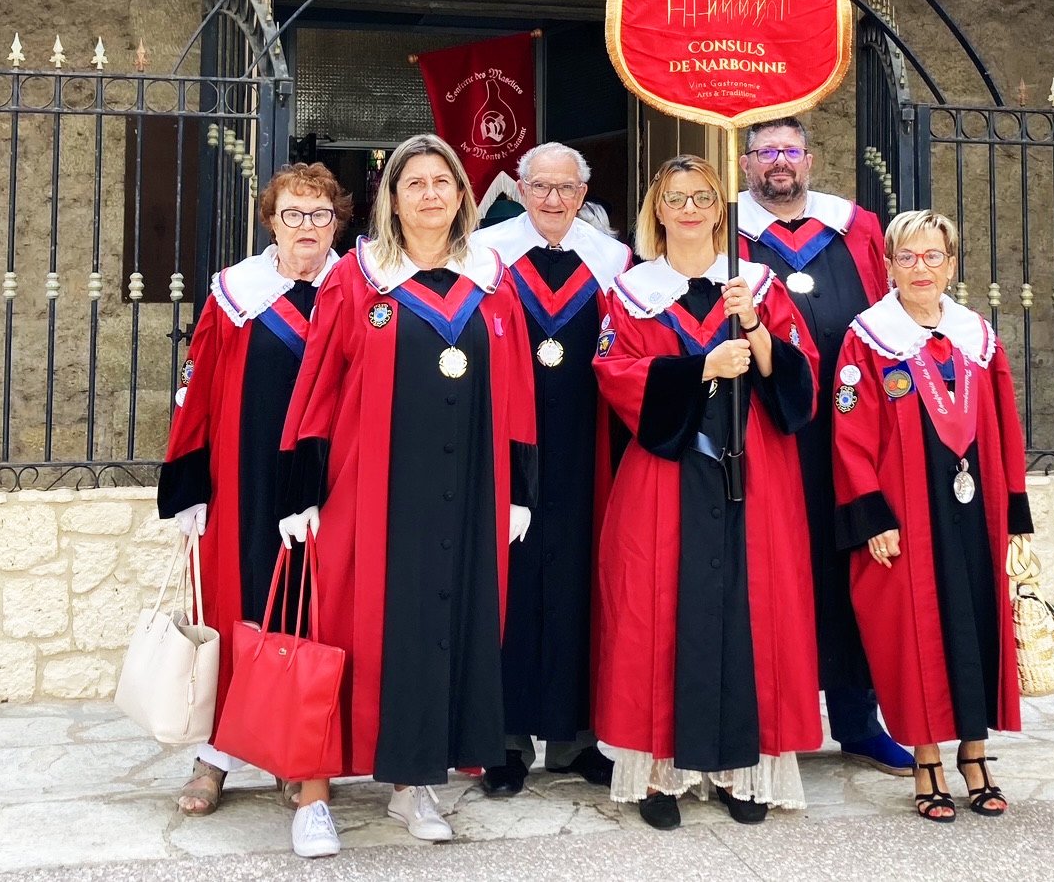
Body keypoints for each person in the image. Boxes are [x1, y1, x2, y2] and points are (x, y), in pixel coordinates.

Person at [281, 134, 538, 845]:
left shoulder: (492, 279)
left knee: (437, 634)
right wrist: (301, 493)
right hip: (367, 491)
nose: (429, 193)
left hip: (465, 490)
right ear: (391, 199)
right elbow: (318, 386)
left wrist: (519, 490)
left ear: (461, 194)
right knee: (340, 633)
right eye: (413, 182)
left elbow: (516, 391)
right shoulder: (357, 278)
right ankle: (312, 796)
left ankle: (413, 784)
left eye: (442, 181)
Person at [593, 155, 821, 830]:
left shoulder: (755, 284)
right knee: (656, 617)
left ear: (720, 208)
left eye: (701, 197)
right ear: (656, 210)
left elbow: (797, 379)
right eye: (675, 197)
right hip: (667, 477)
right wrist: (701, 368)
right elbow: (614, 374)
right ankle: (659, 775)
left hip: (753, 474)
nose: (689, 208)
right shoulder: (632, 291)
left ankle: (740, 770)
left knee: (754, 615)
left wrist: (753, 327)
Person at [155, 163, 353, 856]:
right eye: (293, 214)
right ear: (269, 220)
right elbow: (200, 389)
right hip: (246, 485)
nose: (307, 228)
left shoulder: (359, 290)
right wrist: (189, 487)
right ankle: (218, 754)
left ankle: (308, 765)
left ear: (339, 221)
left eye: (320, 214)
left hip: (332, 488)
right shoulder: (237, 294)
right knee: (240, 616)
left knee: (317, 623)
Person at [831, 209, 1034, 824]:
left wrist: (1016, 515)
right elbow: (850, 432)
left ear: (951, 263)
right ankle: (926, 762)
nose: (922, 268)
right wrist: (872, 517)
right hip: (905, 512)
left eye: (933, 257)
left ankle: (975, 756)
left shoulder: (978, 336)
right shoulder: (868, 337)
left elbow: (1005, 424)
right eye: (908, 258)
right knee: (910, 634)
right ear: (887, 265)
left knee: (974, 624)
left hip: (976, 513)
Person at [735, 116, 913, 778]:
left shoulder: (855, 227)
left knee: (852, 568)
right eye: (765, 152)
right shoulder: (731, 233)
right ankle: (764, 716)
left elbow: (890, 313)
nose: (779, 161)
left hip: (849, 430)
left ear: (809, 159)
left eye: (790, 150)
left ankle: (859, 721)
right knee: (773, 572)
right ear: (747, 162)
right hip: (769, 430)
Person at [476, 143, 633, 795]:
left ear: (585, 190)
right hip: (504, 443)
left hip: (587, 445)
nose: (553, 200)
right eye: (540, 187)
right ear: (519, 186)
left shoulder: (615, 262)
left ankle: (574, 740)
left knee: (577, 582)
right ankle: (504, 740)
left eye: (567, 188)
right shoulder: (486, 254)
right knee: (505, 583)